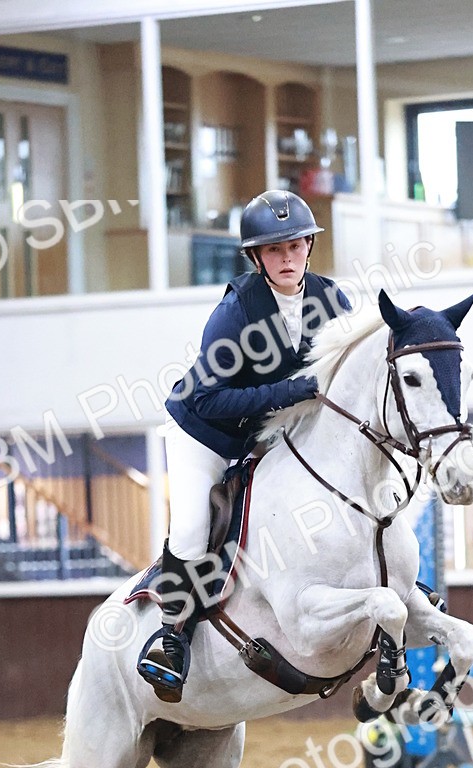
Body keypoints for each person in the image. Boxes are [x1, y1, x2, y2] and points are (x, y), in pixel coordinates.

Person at [137, 189, 352, 701]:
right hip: (205, 435)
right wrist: (293, 391)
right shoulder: (236, 311)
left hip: (269, 436)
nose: (286, 258)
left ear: (308, 247)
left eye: (295, 246)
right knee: (191, 530)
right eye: (274, 250)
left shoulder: (332, 299)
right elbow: (210, 400)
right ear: (257, 257)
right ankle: (172, 638)